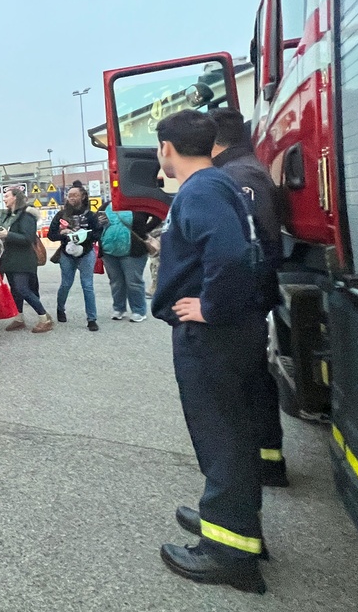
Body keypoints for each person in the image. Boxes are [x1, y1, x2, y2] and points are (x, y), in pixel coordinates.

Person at [152, 109, 268, 593]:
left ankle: (228, 555)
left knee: (221, 437)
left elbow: (229, 253)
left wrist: (211, 308)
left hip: (212, 336)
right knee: (232, 432)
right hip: (230, 333)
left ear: (166, 149)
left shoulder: (198, 191)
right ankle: (225, 521)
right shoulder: (218, 184)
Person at [210, 107, 287, 487]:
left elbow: (250, 247)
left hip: (246, 299)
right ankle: (266, 460)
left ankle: (261, 464)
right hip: (253, 295)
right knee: (254, 379)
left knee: (246, 384)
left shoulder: (236, 176)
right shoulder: (244, 170)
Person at [47, 181, 103, 331]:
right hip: (67, 254)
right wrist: (62, 233)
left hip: (86, 253)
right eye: (69, 195)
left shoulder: (91, 215)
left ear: (83, 196)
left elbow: (98, 233)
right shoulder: (61, 215)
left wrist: (85, 237)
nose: (71, 198)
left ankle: (92, 319)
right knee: (66, 284)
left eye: (75, 195)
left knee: (88, 286)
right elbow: (50, 235)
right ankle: (60, 308)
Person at [0, 187, 53, 333]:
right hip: (9, 258)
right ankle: (19, 318)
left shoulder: (26, 215)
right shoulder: (8, 215)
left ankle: (44, 318)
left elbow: (28, 238)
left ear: (15, 197)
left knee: (23, 289)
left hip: (23, 259)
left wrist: (8, 235)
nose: (4, 198)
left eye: (7, 196)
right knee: (15, 290)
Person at [101, 203, 161, 322]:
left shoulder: (140, 204)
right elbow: (97, 221)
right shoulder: (107, 205)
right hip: (109, 250)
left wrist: (144, 231)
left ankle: (139, 310)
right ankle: (119, 308)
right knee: (116, 282)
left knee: (133, 282)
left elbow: (157, 217)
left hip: (134, 250)